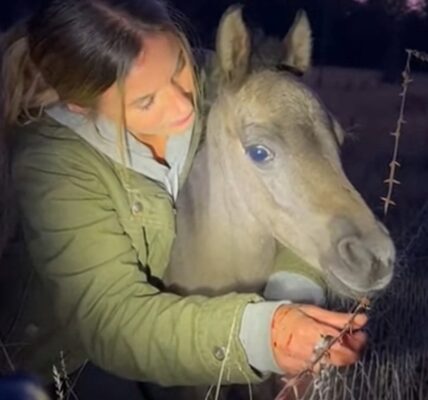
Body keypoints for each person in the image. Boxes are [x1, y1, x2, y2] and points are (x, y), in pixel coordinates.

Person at [0, 0, 367, 397]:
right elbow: (112, 319)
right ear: (80, 105)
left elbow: (297, 178)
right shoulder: (54, 164)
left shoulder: (218, 80)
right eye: (145, 101)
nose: (182, 105)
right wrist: (268, 336)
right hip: (72, 358)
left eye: (178, 68)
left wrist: (292, 294)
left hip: (199, 318)